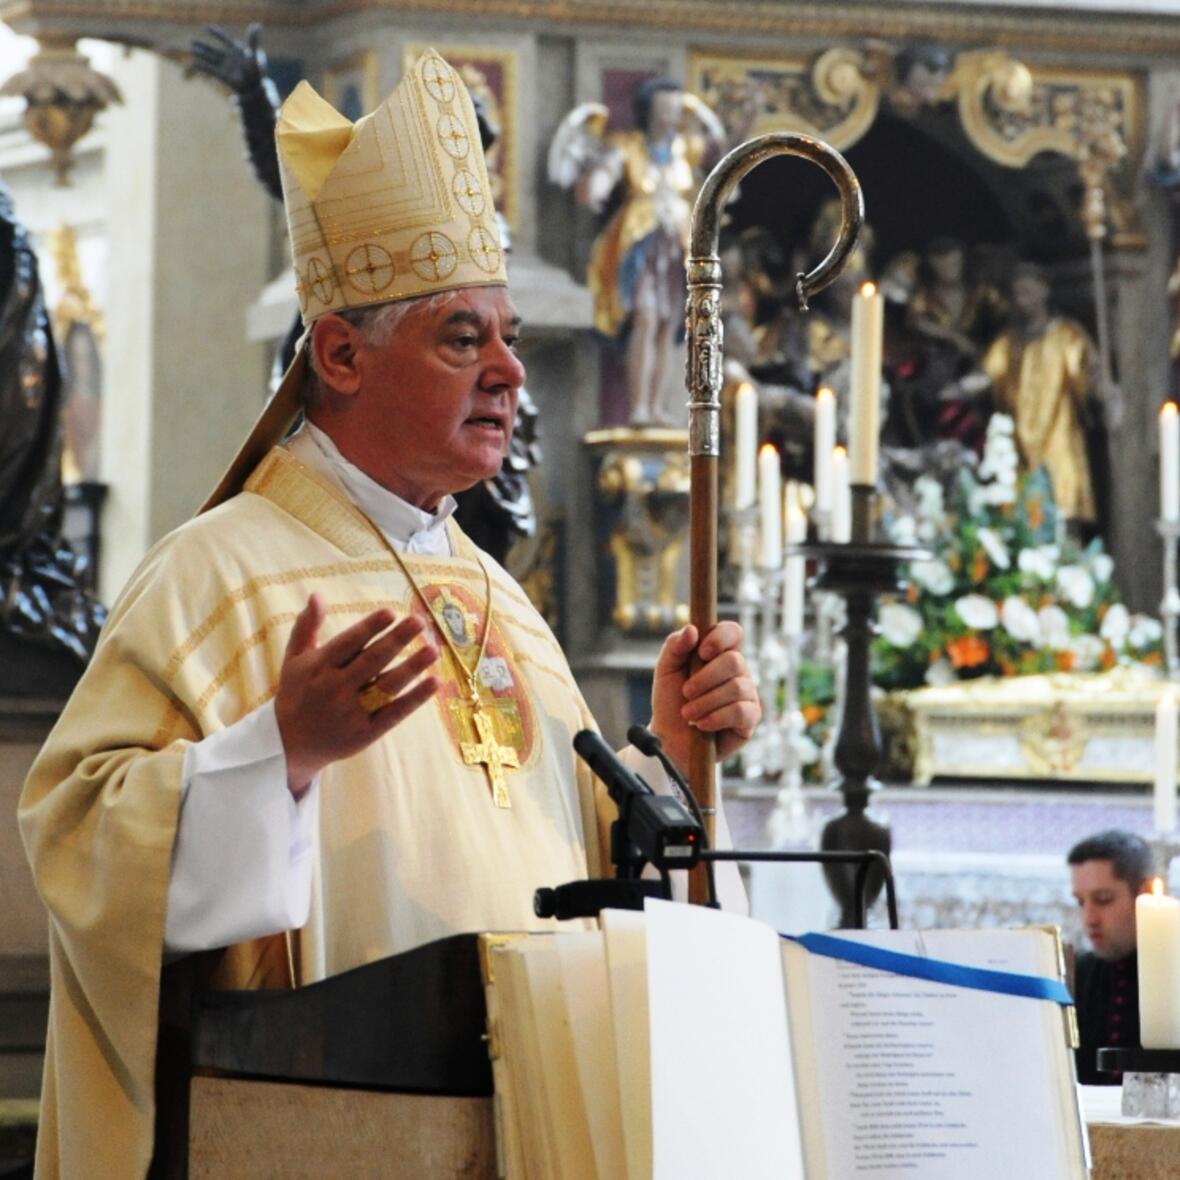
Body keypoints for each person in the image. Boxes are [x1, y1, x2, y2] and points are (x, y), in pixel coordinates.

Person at [18, 53, 759, 1179]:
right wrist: (277, 756)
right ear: (340, 353)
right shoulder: (217, 578)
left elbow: (599, 906)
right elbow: (79, 844)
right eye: (464, 338)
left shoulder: (502, 602)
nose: (510, 373)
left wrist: (672, 769)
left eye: (510, 337)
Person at [561, 78, 726, 426]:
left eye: (675, 109)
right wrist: (598, 185)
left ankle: (656, 406)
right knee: (646, 317)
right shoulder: (629, 145)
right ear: (648, 111)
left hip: (677, 244)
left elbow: (719, 159)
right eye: (663, 109)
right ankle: (638, 406)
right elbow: (607, 169)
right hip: (641, 244)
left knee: (670, 323)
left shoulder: (685, 148)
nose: (670, 116)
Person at [971, 263, 1102, 527]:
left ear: (1044, 291)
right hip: (1020, 440)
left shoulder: (1066, 335)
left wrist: (1102, 388)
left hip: (1058, 436)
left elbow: (1088, 372)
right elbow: (987, 374)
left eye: (1028, 292)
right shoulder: (1008, 341)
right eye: (1017, 294)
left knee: (1063, 510)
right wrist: (962, 387)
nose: (1022, 300)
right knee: (1023, 514)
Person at [1067, 830, 1153, 1085]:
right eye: (1081, 902)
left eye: (1103, 900)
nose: (1089, 919)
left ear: (1144, 893)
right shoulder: (1079, 974)